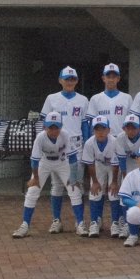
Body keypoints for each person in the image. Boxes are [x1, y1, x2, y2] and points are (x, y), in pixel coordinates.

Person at [12, 112, 85, 238]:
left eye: (56, 127)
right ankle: (25, 225)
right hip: (44, 162)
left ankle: (80, 224)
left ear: (61, 126)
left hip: (62, 162)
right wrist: (35, 178)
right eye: (51, 127)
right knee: (33, 191)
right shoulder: (40, 137)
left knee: (74, 189)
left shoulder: (65, 134)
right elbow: (34, 160)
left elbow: (73, 157)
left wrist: (73, 177)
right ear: (44, 127)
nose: (54, 130)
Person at [40, 66, 89, 197]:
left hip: (76, 142)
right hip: (57, 142)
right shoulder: (51, 98)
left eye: (72, 79)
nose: (69, 82)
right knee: (57, 184)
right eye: (67, 79)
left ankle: (78, 210)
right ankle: (56, 211)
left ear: (77, 81)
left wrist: (86, 143)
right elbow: (44, 123)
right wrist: (45, 142)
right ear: (60, 80)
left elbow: (85, 123)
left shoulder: (83, 100)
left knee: (78, 181)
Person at [81, 116, 123, 238]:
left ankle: (115, 222)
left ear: (109, 130)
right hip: (98, 164)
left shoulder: (114, 142)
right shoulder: (89, 143)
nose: (100, 132)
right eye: (97, 129)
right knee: (95, 192)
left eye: (103, 129)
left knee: (113, 193)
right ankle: (95, 221)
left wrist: (114, 182)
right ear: (93, 131)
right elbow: (90, 163)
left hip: (113, 167)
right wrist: (94, 182)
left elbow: (115, 165)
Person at [114, 114, 140, 238]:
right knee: (125, 193)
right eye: (128, 127)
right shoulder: (120, 138)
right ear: (123, 128)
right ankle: (127, 223)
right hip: (127, 163)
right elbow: (121, 159)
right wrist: (125, 177)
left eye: (133, 127)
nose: (130, 130)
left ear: (139, 128)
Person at [86, 63, 133, 137]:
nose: (111, 80)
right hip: (102, 138)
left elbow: (131, 122)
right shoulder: (95, 99)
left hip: (122, 138)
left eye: (114, 77)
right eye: (108, 77)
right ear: (103, 78)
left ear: (118, 78)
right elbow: (91, 123)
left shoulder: (127, 98)